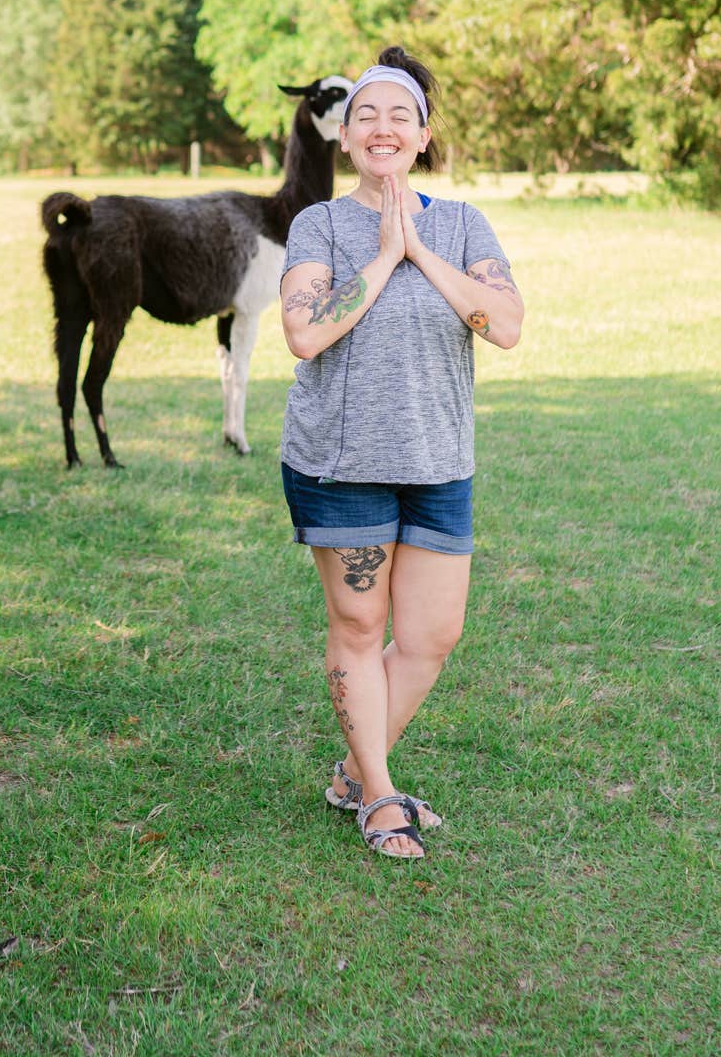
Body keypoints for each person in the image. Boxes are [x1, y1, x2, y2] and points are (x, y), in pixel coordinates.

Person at [277, 46, 523, 859]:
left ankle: (354, 769)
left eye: (400, 117)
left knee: (430, 637)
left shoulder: (461, 223)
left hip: (438, 459)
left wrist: (419, 248)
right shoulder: (320, 225)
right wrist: (384, 254)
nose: (383, 130)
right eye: (366, 117)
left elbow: (508, 324)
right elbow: (305, 333)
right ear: (345, 137)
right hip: (340, 465)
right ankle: (379, 796)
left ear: (423, 135)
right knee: (358, 624)